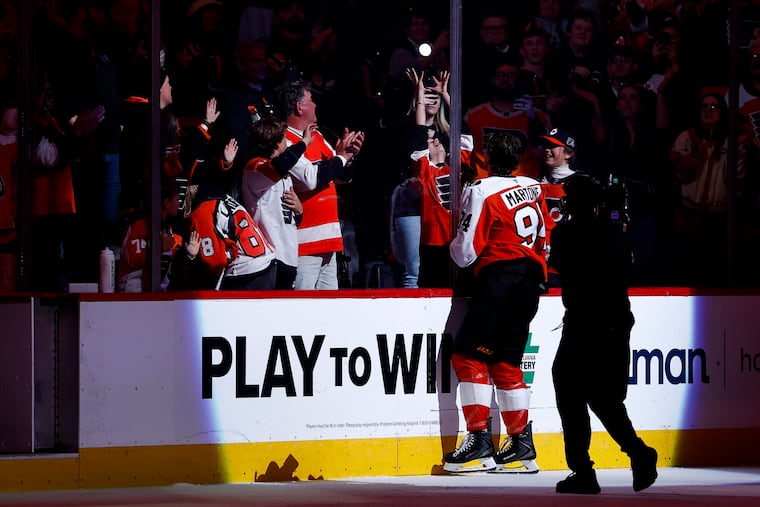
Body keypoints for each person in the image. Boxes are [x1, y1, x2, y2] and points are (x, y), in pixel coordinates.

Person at [445, 131, 549, 474]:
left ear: (487, 157)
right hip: (531, 281)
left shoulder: (480, 189)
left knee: (468, 356)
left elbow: (465, 252)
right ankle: (521, 446)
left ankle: (479, 443)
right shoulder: (534, 186)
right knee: (505, 363)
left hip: (500, 280)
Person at [548, 174, 658, 494]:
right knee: (604, 398)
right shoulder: (615, 235)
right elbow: (626, 269)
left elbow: (558, 266)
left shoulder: (565, 233)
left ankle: (585, 469)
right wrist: (613, 222)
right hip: (615, 322)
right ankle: (637, 453)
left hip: (585, 322)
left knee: (572, 391)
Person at [274, 80, 364, 290]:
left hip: (329, 240)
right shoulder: (284, 142)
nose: (315, 105)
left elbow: (341, 176)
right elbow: (311, 177)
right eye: (311, 100)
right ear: (299, 106)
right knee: (302, 312)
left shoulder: (317, 137)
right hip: (304, 244)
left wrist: (349, 156)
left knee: (328, 311)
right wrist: (340, 158)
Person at [241, 116, 312, 290]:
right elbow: (279, 165)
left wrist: (299, 210)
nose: (286, 141)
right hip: (268, 258)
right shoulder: (255, 166)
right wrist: (303, 143)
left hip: (288, 254)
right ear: (275, 142)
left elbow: (287, 218)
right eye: (283, 138)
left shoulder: (283, 174)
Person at [118, 176, 182, 292]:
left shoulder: (168, 229)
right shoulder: (139, 226)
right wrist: (159, 246)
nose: (179, 204)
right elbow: (131, 257)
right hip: (134, 293)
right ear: (167, 203)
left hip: (158, 294)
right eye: (177, 199)